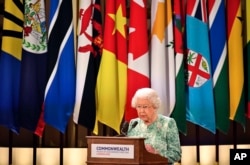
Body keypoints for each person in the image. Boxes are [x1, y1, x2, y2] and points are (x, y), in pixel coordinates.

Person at [127, 88, 181, 164]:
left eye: (145, 107)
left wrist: (155, 153)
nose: (141, 111)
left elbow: (176, 154)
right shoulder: (134, 123)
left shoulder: (167, 123)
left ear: (155, 107)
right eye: (138, 106)